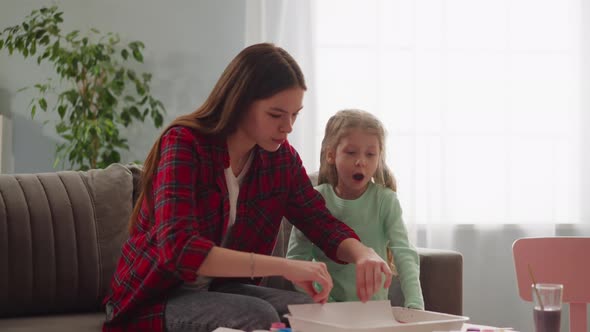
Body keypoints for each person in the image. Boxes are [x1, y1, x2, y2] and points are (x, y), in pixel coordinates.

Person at [102, 44, 393, 332]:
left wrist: (362, 253)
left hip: (220, 290)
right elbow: (179, 250)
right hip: (156, 297)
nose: (288, 127)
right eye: (276, 115)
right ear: (240, 102)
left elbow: (318, 220)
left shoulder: (280, 158)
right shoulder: (185, 144)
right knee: (259, 316)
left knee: (307, 312)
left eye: (295, 115)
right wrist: (284, 266)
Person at [286, 109, 424, 309]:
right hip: (326, 310)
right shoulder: (313, 201)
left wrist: (415, 305)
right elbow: (297, 259)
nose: (361, 161)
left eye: (370, 154)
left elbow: (404, 254)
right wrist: (325, 299)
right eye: (351, 153)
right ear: (331, 155)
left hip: (373, 311)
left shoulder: (385, 200)